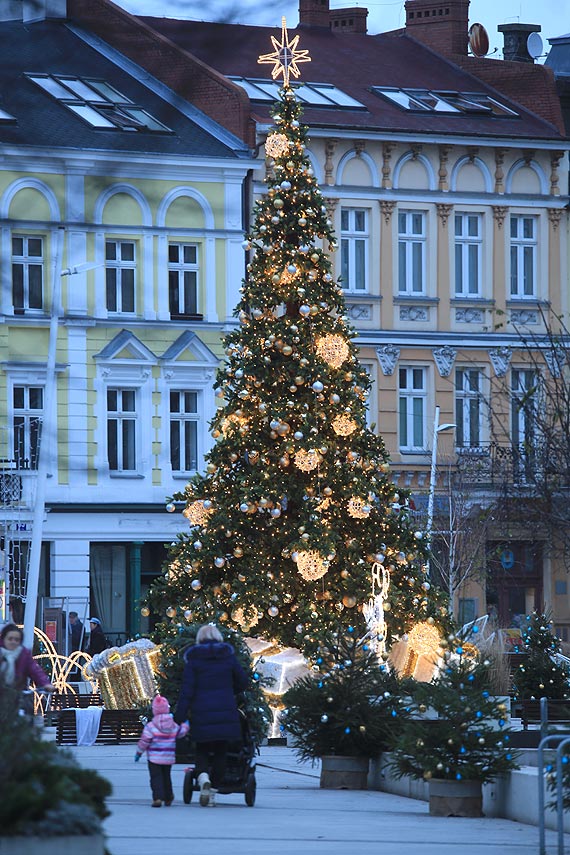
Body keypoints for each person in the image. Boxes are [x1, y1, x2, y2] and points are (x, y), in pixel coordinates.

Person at [175, 623, 248, 807]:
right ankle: (213, 790)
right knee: (221, 752)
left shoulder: (194, 659)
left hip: (201, 712)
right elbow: (243, 681)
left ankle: (203, 778)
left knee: (202, 750)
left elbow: (187, 691)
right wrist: (230, 691)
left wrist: (179, 715)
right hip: (225, 710)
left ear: (199, 639)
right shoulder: (228, 657)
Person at [135, 694, 189, 807]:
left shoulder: (151, 726)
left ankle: (157, 798)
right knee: (166, 777)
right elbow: (180, 733)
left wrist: (139, 753)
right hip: (168, 757)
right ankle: (168, 797)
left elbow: (144, 741)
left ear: (154, 710)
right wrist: (185, 726)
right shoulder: (172, 724)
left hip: (154, 758)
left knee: (156, 778)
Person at [0, 623, 55, 693]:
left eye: (17, 640)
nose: (13, 642)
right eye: (10, 639)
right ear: (3, 639)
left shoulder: (24, 654)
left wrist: (46, 684)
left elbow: (35, 670)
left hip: (17, 693)